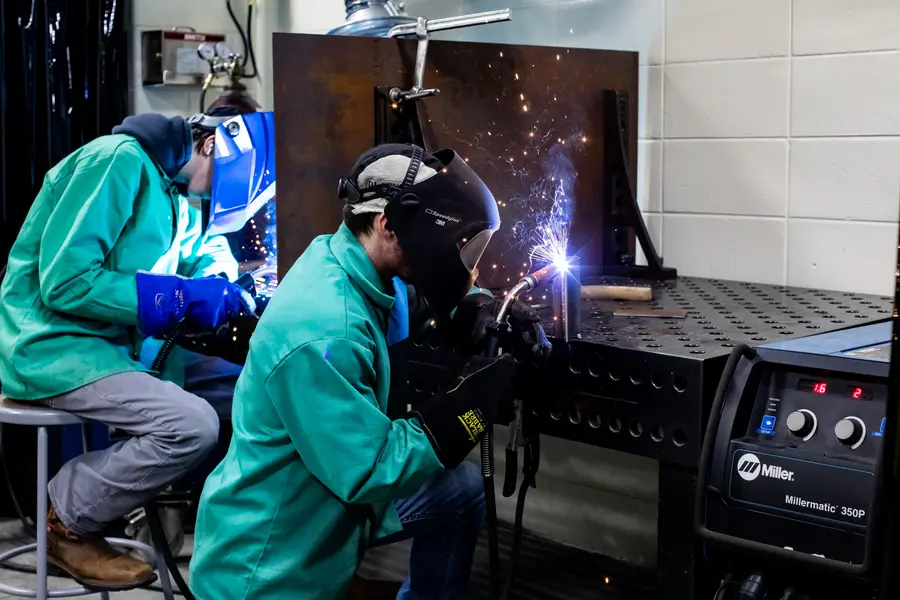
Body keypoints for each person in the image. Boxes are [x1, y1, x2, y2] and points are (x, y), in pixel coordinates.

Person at [189, 143, 551, 600]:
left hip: (328, 494)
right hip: (269, 568)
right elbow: (372, 470)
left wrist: (477, 308)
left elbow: (414, 304)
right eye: (455, 241)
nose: (463, 256)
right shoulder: (324, 329)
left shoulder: (358, 264)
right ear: (388, 224)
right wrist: (469, 412)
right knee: (431, 471)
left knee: (457, 491)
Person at [0, 106, 275, 591]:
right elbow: (65, 283)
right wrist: (184, 296)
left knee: (251, 392)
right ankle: (68, 516)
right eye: (221, 182)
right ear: (211, 143)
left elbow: (193, 253)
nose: (213, 195)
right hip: (52, 346)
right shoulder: (116, 161)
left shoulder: (173, 192)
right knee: (192, 425)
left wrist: (228, 279)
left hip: (107, 348)